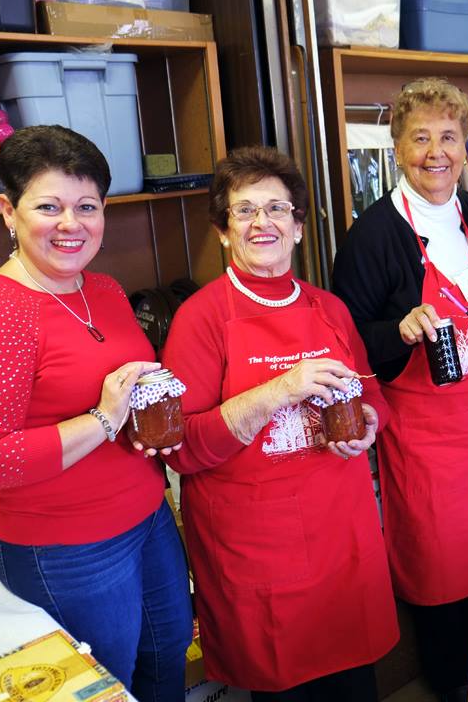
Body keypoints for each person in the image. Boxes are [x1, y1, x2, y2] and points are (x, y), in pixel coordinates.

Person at [0, 125, 191, 701]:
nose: (71, 224)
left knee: (166, 657)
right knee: (107, 685)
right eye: (49, 207)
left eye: (87, 207)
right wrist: (103, 419)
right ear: (9, 211)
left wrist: (144, 422)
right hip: (66, 549)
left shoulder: (102, 290)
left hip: (147, 518)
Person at [161, 147, 398, 702]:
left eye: (276, 209)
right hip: (260, 546)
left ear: (297, 226)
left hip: (342, 535)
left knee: (353, 685)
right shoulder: (200, 319)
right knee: (285, 686)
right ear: (223, 232)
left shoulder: (329, 308)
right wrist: (277, 390)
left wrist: (370, 420)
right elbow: (180, 448)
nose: (261, 222)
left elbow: (371, 392)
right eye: (244, 211)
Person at [332, 78, 468, 702]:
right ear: (397, 148)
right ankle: (452, 683)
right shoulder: (373, 237)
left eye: (449, 137)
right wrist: (399, 329)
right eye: (420, 138)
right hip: (425, 438)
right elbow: (347, 340)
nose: (436, 152)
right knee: (441, 568)